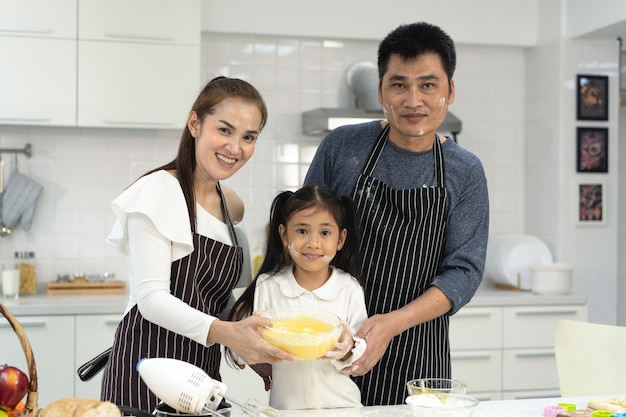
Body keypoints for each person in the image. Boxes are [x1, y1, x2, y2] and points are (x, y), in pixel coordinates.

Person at [303, 22, 490, 406]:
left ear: (450, 91)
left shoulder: (465, 171)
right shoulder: (341, 148)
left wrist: (394, 322)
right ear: (381, 90)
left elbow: (464, 272)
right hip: (332, 346)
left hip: (419, 356)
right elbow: (300, 234)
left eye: (428, 85)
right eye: (399, 84)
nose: (413, 100)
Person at [100, 76, 295, 413]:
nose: (235, 147)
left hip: (201, 378)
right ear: (195, 124)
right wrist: (228, 334)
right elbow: (151, 300)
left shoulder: (230, 205)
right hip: (146, 373)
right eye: (225, 130)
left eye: (248, 137)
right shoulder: (158, 191)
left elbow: (212, 297)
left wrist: (250, 339)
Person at [229, 185, 368, 410]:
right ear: (284, 235)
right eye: (302, 231)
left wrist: (349, 347)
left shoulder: (348, 288)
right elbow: (252, 343)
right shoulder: (269, 286)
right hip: (286, 409)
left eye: (325, 233)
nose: (313, 243)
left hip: (343, 409)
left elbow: (359, 352)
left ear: (341, 239)